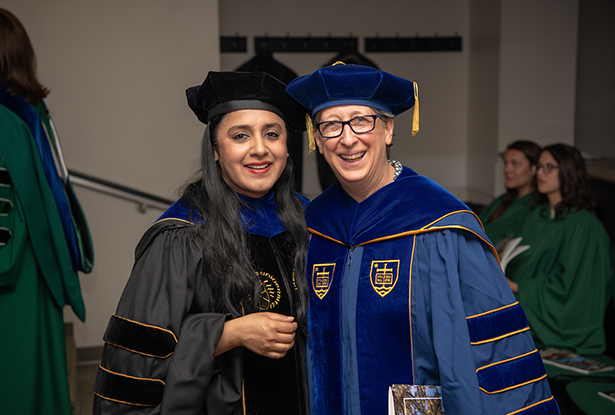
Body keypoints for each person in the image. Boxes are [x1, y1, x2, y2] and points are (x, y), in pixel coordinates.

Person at [286, 63, 560, 415]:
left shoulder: (439, 225)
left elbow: (490, 353)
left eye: (361, 120)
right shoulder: (311, 227)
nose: (347, 138)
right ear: (318, 141)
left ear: (388, 129)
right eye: (331, 125)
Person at [92, 71, 310, 414]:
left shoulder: (306, 220)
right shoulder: (181, 236)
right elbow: (138, 360)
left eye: (272, 134)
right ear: (216, 150)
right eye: (240, 135)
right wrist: (229, 333)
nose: (259, 149)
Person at [504, 144, 614, 356]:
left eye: (549, 168)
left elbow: (574, 286)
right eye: (539, 167)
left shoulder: (583, 225)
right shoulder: (538, 215)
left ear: (568, 172)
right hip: (522, 298)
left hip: (554, 314)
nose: (540, 174)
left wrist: (518, 287)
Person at [479, 140, 542, 249]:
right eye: (506, 163)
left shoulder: (535, 207)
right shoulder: (502, 201)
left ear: (534, 169)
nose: (506, 170)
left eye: (515, 164)